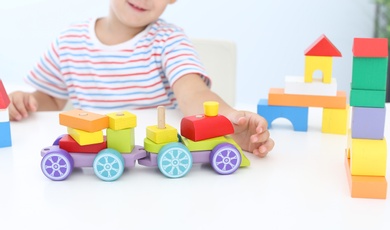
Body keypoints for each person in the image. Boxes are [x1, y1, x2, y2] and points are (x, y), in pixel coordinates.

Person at [8, 0, 274, 158]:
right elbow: (51, 99)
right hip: (89, 156)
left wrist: (226, 121)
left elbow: (192, 93)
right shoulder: (69, 41)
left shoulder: (169, 41)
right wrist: (26, 101)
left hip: (153, 159)